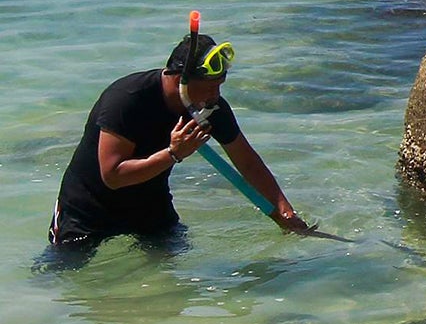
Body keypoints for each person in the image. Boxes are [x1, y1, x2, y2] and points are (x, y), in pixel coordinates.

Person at [49, 29, 307, 253]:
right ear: (178, 78)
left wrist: (283, 211)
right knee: (63, 282)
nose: (214, 96)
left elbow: (247, 163)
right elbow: (113, 176)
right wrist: (173, 153)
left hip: (151, 205)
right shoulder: (127, 100)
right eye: (207, 87)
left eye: (219, 85)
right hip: (88, 209)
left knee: (170, 285)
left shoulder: (210, 107)